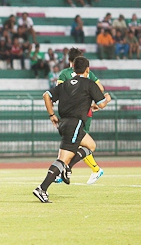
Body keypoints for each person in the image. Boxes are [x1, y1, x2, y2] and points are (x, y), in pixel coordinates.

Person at [34, 56, 111, 203]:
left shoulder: (66, 84)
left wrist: (52, 115)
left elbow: (46, 95)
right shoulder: (89, 84)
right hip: (74, 124)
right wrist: (107, 98)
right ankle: (42, 188)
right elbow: (101, 104)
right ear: (87, 70)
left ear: (73, 68)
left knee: (91, 146)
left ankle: (67, 167)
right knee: (62, 160)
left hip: (65, 123)